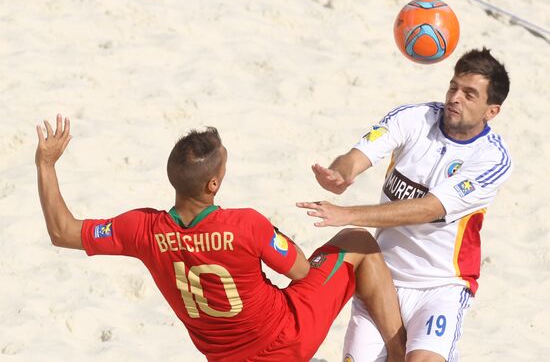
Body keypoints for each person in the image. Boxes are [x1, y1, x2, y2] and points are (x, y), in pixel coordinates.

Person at [35, 116, 406, 361]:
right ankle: (399, 351)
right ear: (214, 184)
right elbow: (299, 269)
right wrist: (273, 236)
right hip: (287, 338)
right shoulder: (245, 224)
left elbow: (62, 231)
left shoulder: (141, 229)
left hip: (224, 356)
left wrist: (46, 164)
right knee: (357, 240)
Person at [297, 48, 512, 362]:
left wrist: (348, 214)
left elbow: (428, 208)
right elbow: (357, 155)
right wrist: (340, 173)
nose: (455, 98)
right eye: (453, 87)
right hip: (380, 278)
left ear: (491, 111)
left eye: (469, 94)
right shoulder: (413, 117)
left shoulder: (491, 158)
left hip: (440, 287)